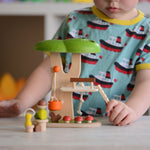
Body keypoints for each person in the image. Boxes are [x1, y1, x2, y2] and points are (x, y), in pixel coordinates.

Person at [0, 0, 150, 126]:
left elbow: (146, 80)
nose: (112, 1)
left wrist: (132, 109)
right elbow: (49, 70)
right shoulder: (74, 20)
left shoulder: (146, 31)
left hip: (114, 125)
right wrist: (21, 102)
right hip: (68, 122)